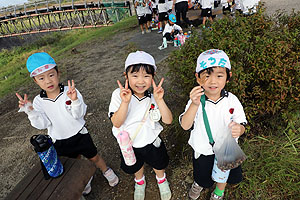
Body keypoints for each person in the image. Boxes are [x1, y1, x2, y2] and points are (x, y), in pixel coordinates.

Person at [16, 52, 119, 195]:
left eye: (51, 75)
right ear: (35, 81)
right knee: (74, 162)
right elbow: (43, 124)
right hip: (59, 139)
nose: (48, 81)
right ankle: (85, 178)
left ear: (58, 73)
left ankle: (105, 170)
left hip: (79, 134)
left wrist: (75, 100)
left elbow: (79, 114)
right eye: (41, 78)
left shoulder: (70, 91)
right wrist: (31, 111)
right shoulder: (39, 101)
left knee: (93, 156)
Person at [179, 49, 247, 200]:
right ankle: (199, 183)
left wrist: (239, 129)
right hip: (203, 149)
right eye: (207, 75)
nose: (213, 81)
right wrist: (194, 105)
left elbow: (242, 123)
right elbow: (185, 125)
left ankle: (218, 192)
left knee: (224, 173)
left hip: (227, 149)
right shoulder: (195, 100)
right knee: (202, 174)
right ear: (198, 78)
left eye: (219, 75)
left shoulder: (232, 100)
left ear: (228, 77)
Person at [108, 51, 173, 200]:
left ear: (153, 77)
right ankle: (140, 181)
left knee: (158, 162)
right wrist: (125, 102)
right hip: (129, 144)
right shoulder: (119, 94)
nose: (140, 81)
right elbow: (116, 122)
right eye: (135, 75)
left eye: (146, 76)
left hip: (151, 141)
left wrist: (160, 100)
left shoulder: (153, 97)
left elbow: (168, 120)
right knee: (135, 165)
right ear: (126, 76)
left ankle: (161, 180)